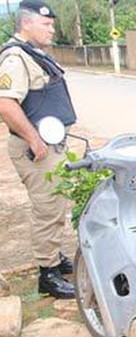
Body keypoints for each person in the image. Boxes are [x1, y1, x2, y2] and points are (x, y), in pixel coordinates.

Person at [0, 1, 76, 299]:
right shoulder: (15, 57)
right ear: (26, 24)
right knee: (46, 208)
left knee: (56, 205)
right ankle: (48, 274)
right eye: (46, 24)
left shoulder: (33, 54)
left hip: (49, 145)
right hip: (36, 150)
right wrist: (34, 139)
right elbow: (6, 103)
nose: (52, 28)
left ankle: (54, 258)